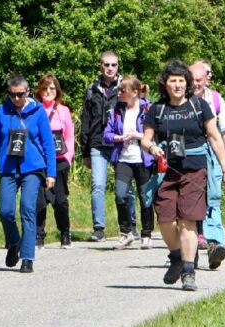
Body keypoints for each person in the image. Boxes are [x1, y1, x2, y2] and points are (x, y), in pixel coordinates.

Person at [141, 60, 225, 291]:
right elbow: (145, 139)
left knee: (188, 220)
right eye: (173, 80)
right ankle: (176, 257)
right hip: (166, 171)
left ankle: (189, 272)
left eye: (181, 80)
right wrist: (152, 149)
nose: (178, 85)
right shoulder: (157, 109)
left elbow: (214, 136)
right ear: (166, 84)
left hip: (195, 167)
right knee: (165, 219)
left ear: (187, 83)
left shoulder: (199, 106)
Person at [0, 75, 57, 273]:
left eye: (20, 95)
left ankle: (27, 257)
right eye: (12, 95)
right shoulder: (1, 111)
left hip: (32, 168)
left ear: (27, 92)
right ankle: (14, 241)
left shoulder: (38, 111)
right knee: (5, 211)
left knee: (27, 208)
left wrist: (51, 172)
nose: (16, 99)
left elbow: (49, 143)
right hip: (8, 167)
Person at [189, 60, 225, 269]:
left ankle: (216, 244)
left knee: (213, 199)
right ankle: (192, 243)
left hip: (213, 157)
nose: (195, 84)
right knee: (190, 202)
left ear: (206, 79)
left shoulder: (216, 100)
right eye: (192, 80)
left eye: (199, 80)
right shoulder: (179, 101)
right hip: (187, 159)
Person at [102, 76, 154, 248]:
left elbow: (156, 133)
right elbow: (106, 134)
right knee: (120, 195)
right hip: (123, 159)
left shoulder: (148, 109)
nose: (120, 93)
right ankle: (126, 232)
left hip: (142, 159)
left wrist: (138, 136)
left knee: (145, 197)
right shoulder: (117, 110)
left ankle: (146, 233)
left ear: (134, 92)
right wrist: (118, 137)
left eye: (123, 90)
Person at [79, 51, 123, 242]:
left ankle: (128, 226)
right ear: (100, 66)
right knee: (98, 185)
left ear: (118, 67)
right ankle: (99, 228)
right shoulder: (91, 90)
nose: (110, 68)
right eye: (106, 65)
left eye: (113, 65)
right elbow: (86, 121)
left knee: (125, 187)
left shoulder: (125, 88)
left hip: (120, 143)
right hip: (97, 143)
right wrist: (85, 151)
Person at [34, 74, 75, 249]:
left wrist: (68, 158)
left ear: (57, 90)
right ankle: (38, 235)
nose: (49, 91)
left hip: (59, 161)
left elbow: (69, 137)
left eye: (52, 88)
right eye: (45, 88)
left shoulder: (63, 110)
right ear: (39, 91)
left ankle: (65, 232)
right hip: (40, 162)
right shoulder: (35, 109)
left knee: (60, 201)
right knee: (40, 201)